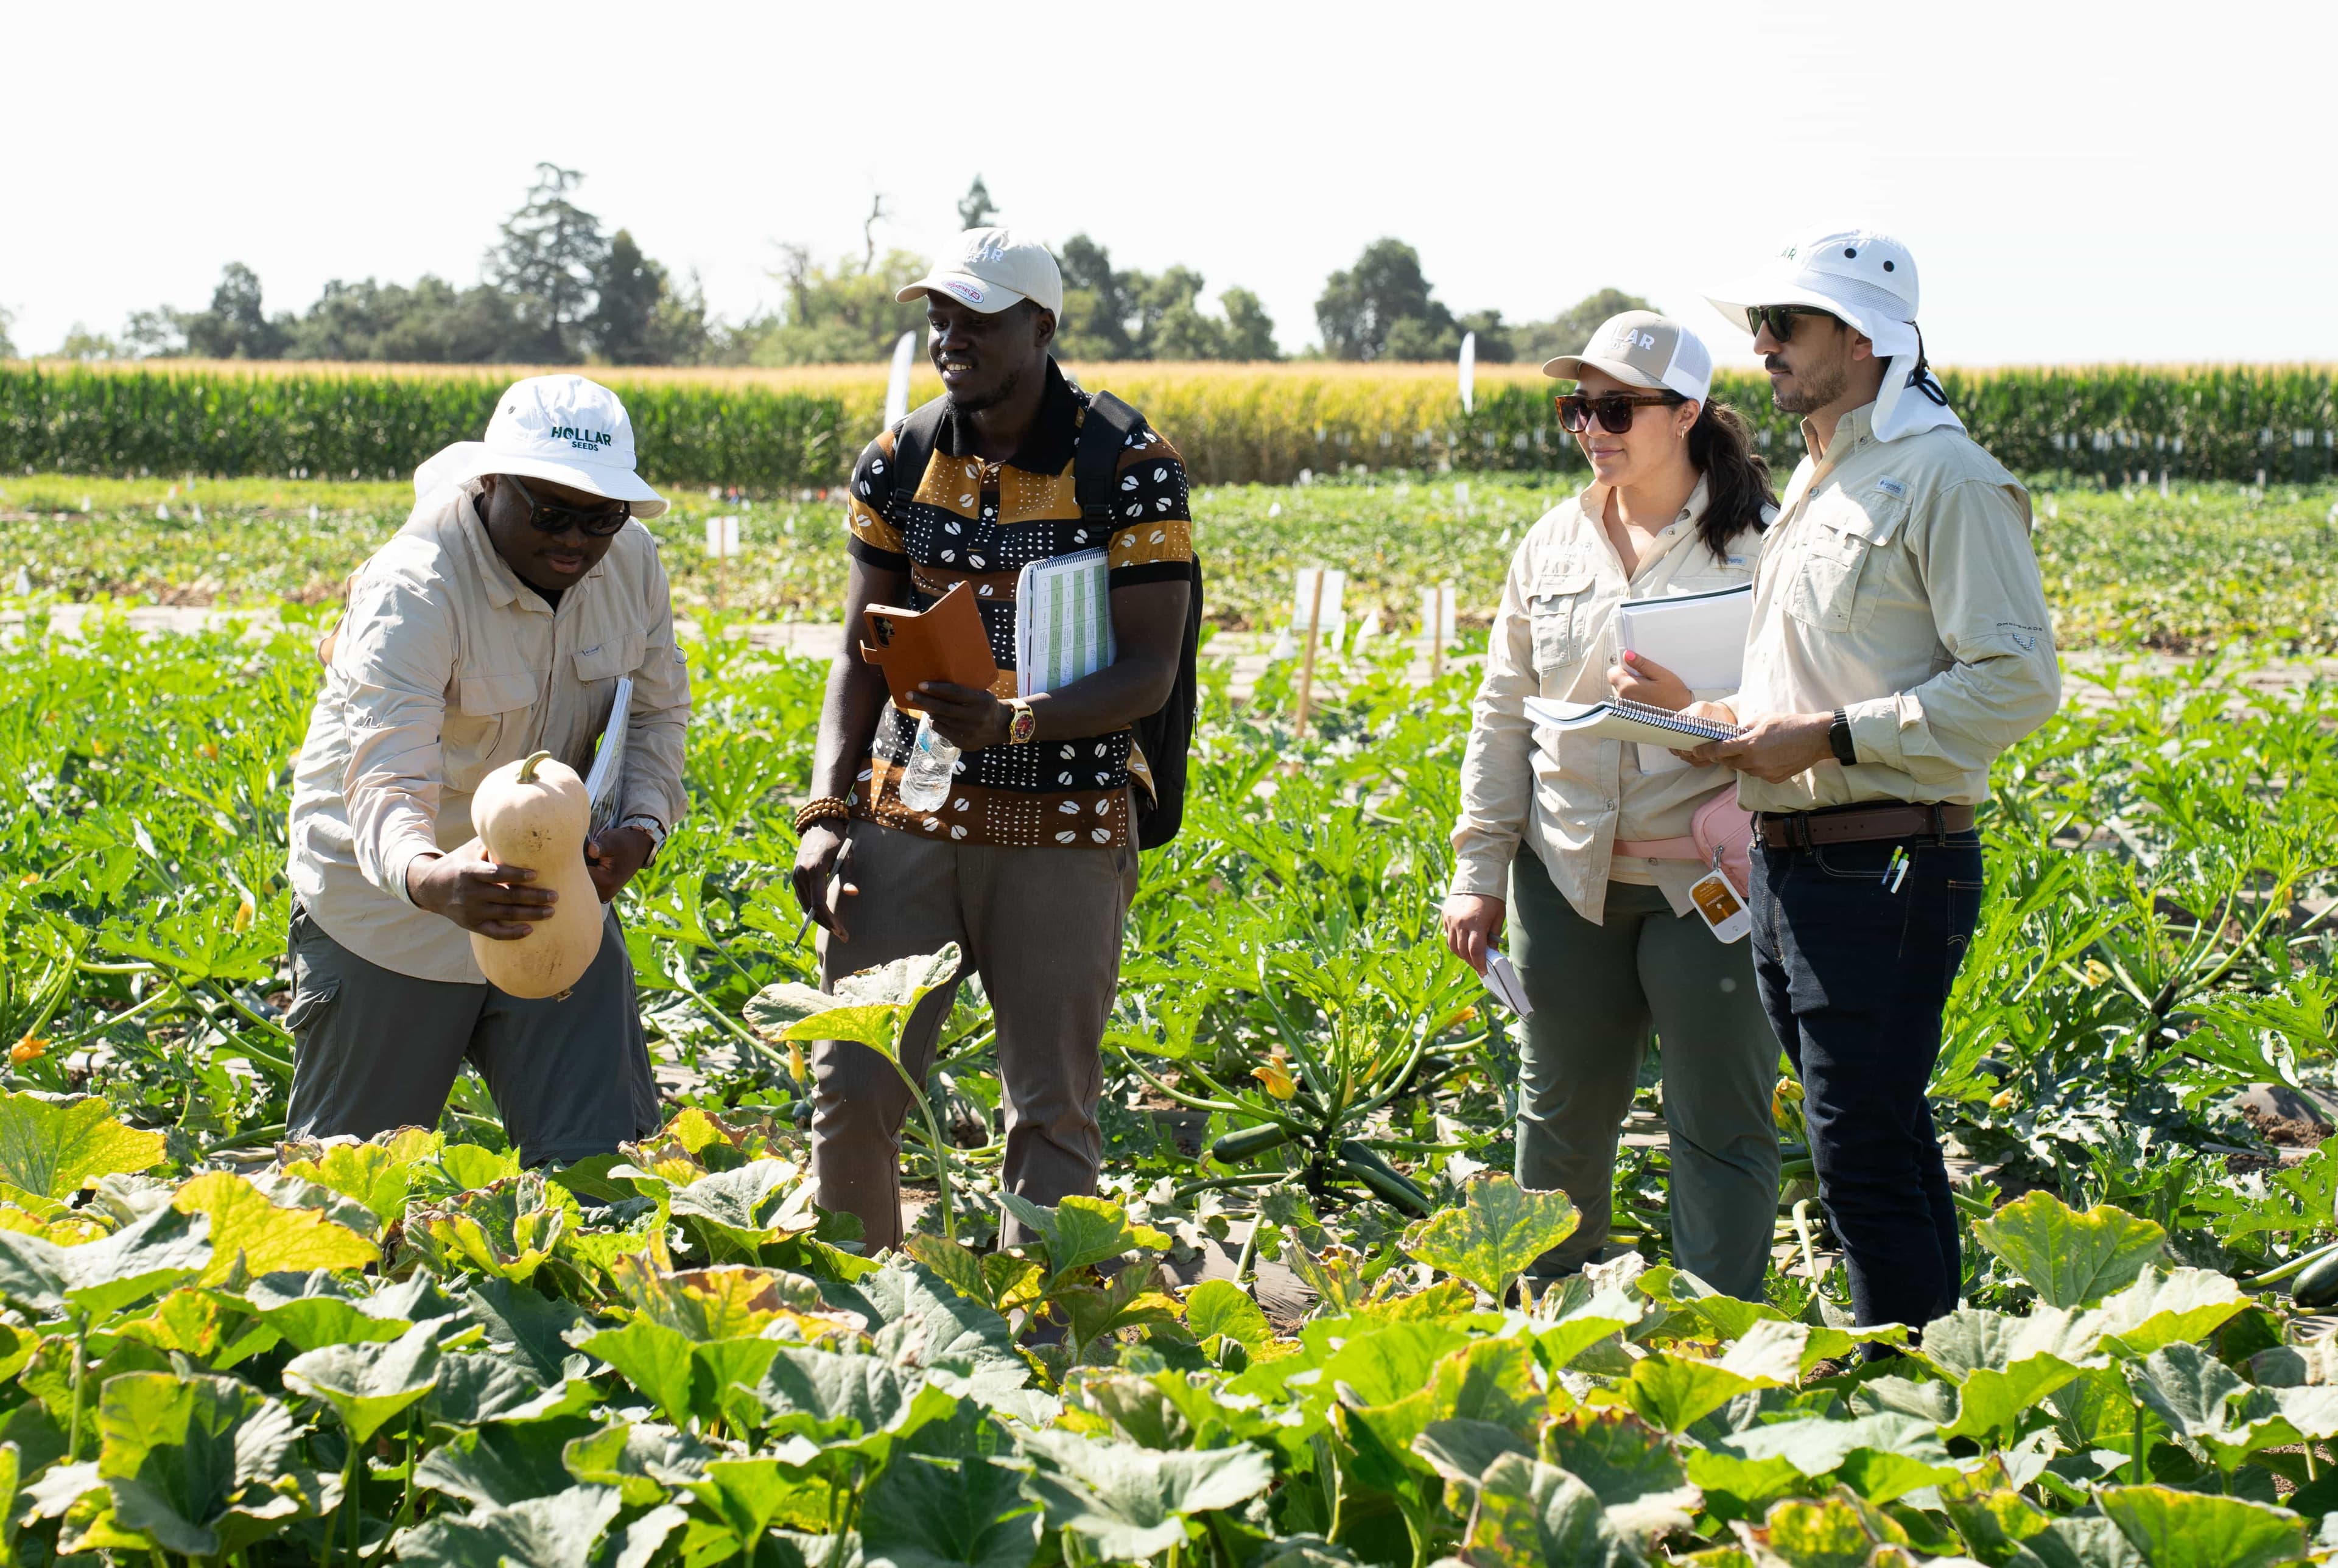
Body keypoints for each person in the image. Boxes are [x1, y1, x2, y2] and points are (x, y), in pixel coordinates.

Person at [1683, 227, 2060, 1335]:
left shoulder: (1944, 475)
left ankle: (1899, 1400)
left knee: (1859, 1156)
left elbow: (2019, 683)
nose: (1760, 346)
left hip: (1887, 860)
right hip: (1799, 863)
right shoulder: (1823, 471)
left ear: (1862, 337)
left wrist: (1833, 738)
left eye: (1784, 325)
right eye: (1759, 325)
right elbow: (1823, 676)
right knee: (1873, 1138)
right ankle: (1941, 1387)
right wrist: (1720, 720)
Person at [790, 228, 1193, 1251]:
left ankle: (1048, 1351)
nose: (950, 336)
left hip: (1062, 820)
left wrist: (1018, 719)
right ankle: (858, 1320)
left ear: (1041, 327)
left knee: (1050, 1110)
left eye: (976, 317)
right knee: (852, 1084)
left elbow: (1151, 671)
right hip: (912, 804)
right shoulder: (900, 461)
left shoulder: (1128, 465)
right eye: (940, 316)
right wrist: (825, 812)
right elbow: (857, 656)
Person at [1442, 312, 1783, 1300]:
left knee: (1720, 1125)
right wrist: (1478, 872)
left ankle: (1721, 1345)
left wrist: (1700, 717)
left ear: (1684, 413)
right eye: (1577, 408)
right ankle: (1547, 1325)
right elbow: (1502, 713)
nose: (1592, 427)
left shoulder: (1768, 545)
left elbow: (1801, 713)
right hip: (1567, 878)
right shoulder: (1553, 543)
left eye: (1616, 408)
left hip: (1708, 880)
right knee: (1558, 1120)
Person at [283, 374, 689, 1164]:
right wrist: (427, 876)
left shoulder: (631, 561)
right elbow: (385, 775)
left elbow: (654, 714)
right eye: (550, 512)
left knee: (603, 1179)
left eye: (602, 517)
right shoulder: (416, 587)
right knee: (349, 1208)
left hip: (554, 903)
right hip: (388, 918)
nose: (576, 539)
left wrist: (642, 828)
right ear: (491, 484)